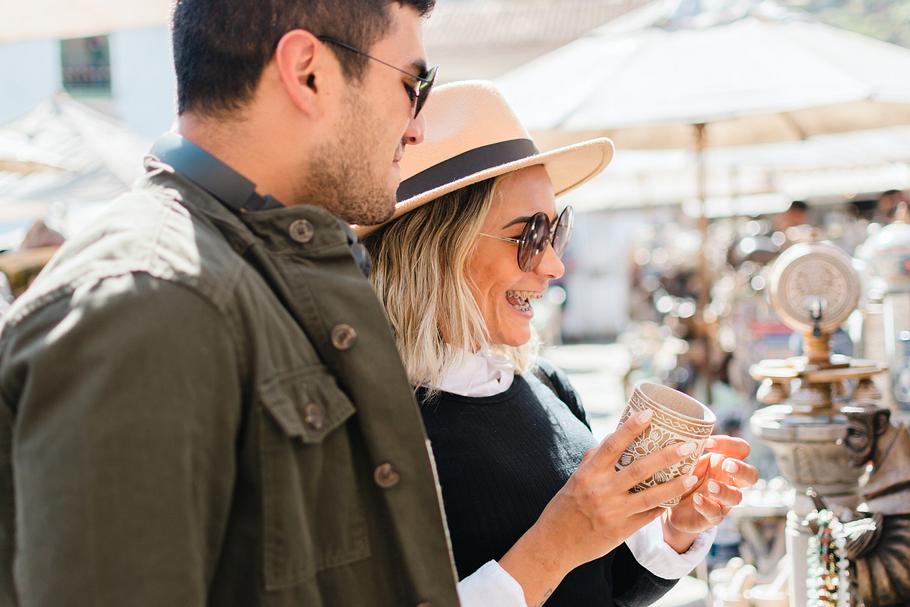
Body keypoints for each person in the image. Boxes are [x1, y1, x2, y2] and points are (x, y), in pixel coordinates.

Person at [0, 2, 465, 606]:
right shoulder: (150, 301)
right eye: (413, 85)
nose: (416, 127)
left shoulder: (248, 271)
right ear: (307, 72)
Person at [361, 81, 759, 606]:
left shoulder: (546, 384)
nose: (554, 264)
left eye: (556, 232)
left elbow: (606, 586)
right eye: (528, 236)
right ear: (436, 249)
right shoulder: (367, 428)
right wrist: (554, 545)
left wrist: (676, 526)